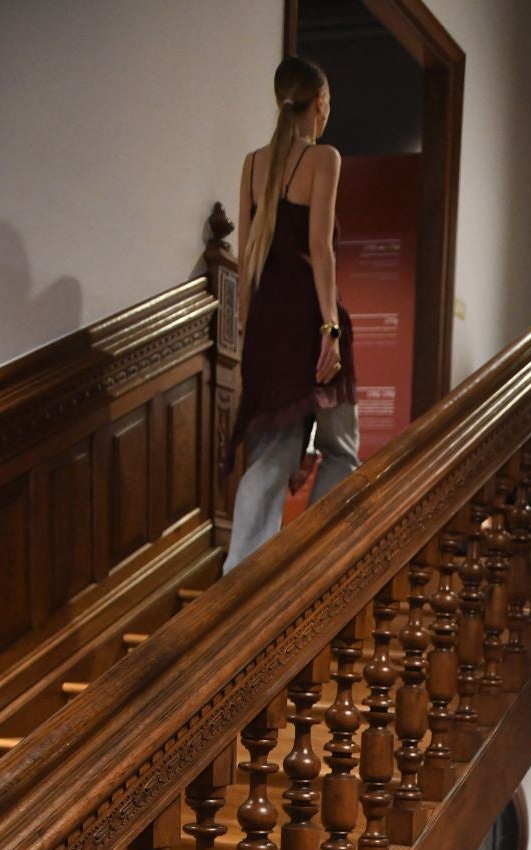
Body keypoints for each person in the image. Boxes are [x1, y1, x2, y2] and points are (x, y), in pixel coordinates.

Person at [225, 57, 359, 573]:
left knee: (270, 457)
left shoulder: (252, 163)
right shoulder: (325, 158)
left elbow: (244, 260)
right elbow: (320, 249)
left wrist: (243, 341)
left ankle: (240, 579)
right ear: (320, 104)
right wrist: (329, 328)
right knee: (342, 448)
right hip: (308, 323)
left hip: (264, 330)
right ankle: (316, 558)